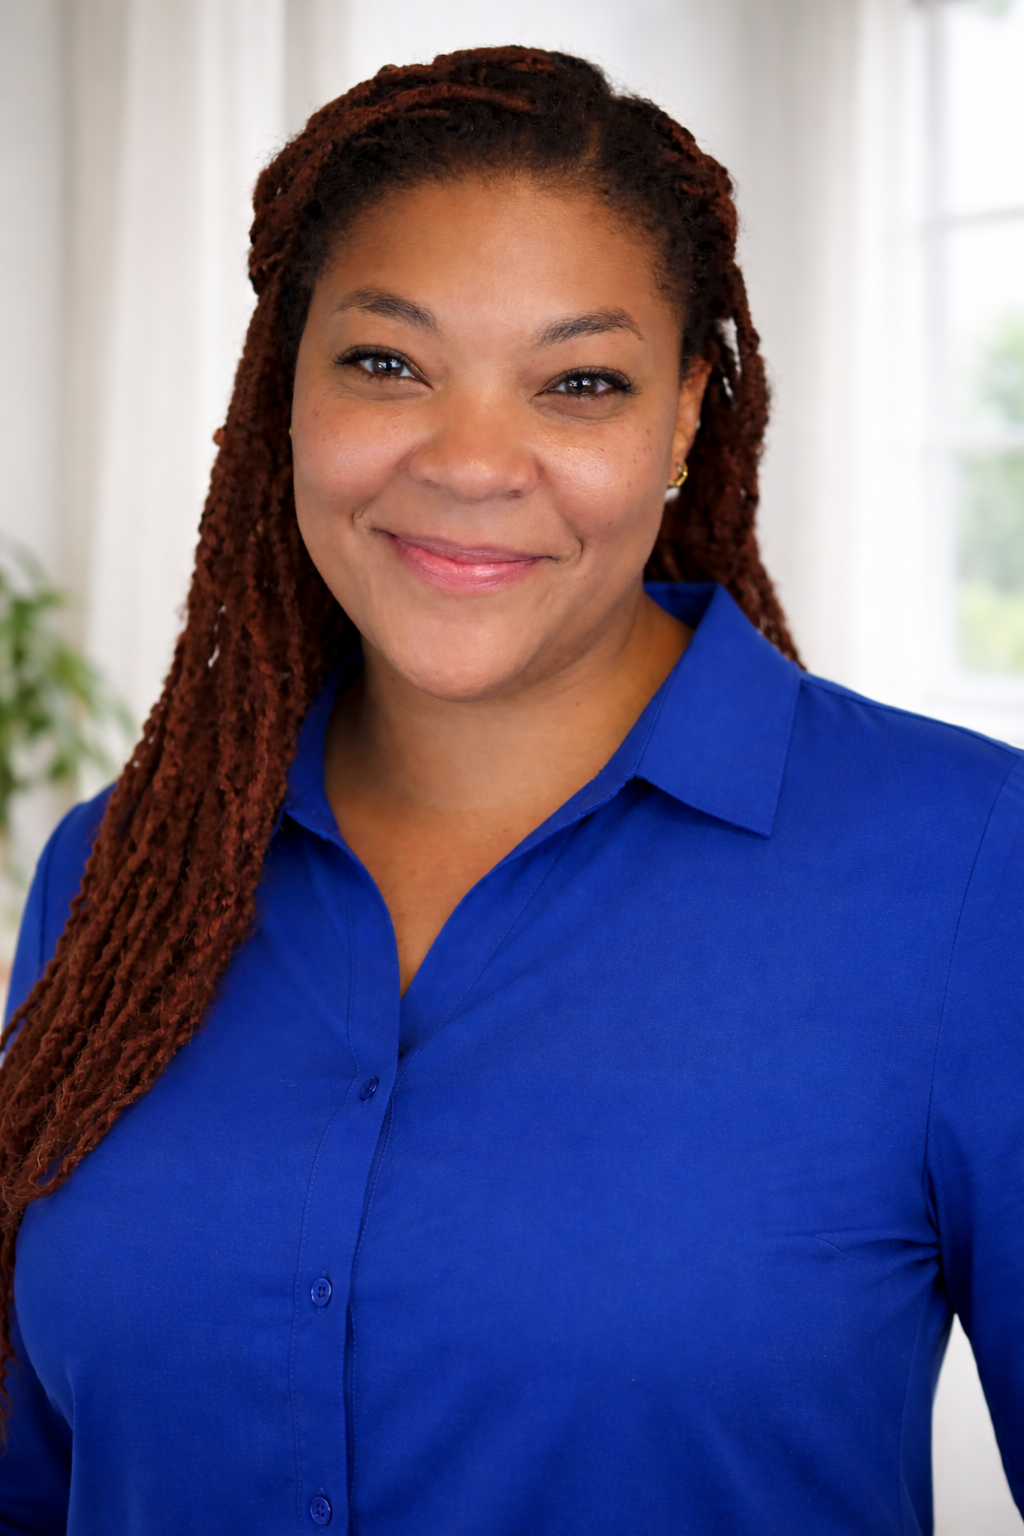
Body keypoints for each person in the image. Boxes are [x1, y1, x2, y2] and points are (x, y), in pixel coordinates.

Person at [0, 46, 1020, 1536]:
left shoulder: (972, 871)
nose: (473, 461)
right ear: (283, 383)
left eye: (581, 382)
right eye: (387, 362)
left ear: (683, 419)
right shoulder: (119, 878)